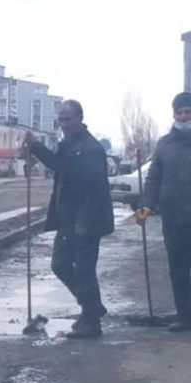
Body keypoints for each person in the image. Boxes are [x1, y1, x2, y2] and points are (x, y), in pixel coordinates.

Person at [23, 99, 114, 339]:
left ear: (80, 119)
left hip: (87, 221)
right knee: (60, 265)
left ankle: (91, 321)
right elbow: (58, 165)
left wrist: (85, 224)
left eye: (67, 119)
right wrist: (36, 147)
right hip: (68, 219)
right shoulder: (68, 144)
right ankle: (91, 308)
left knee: (84, 270)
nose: (63, 124)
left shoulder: (90, 148)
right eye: (60, 120)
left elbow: (96, 190)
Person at [137, 92, 191, 332]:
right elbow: (153, 178)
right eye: (180, 112)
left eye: (188, 111)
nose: (183, 115)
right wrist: (145, 204)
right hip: (174, 219)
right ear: (174, 114)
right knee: (178, 271)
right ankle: (185, 318)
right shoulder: (164, 144)